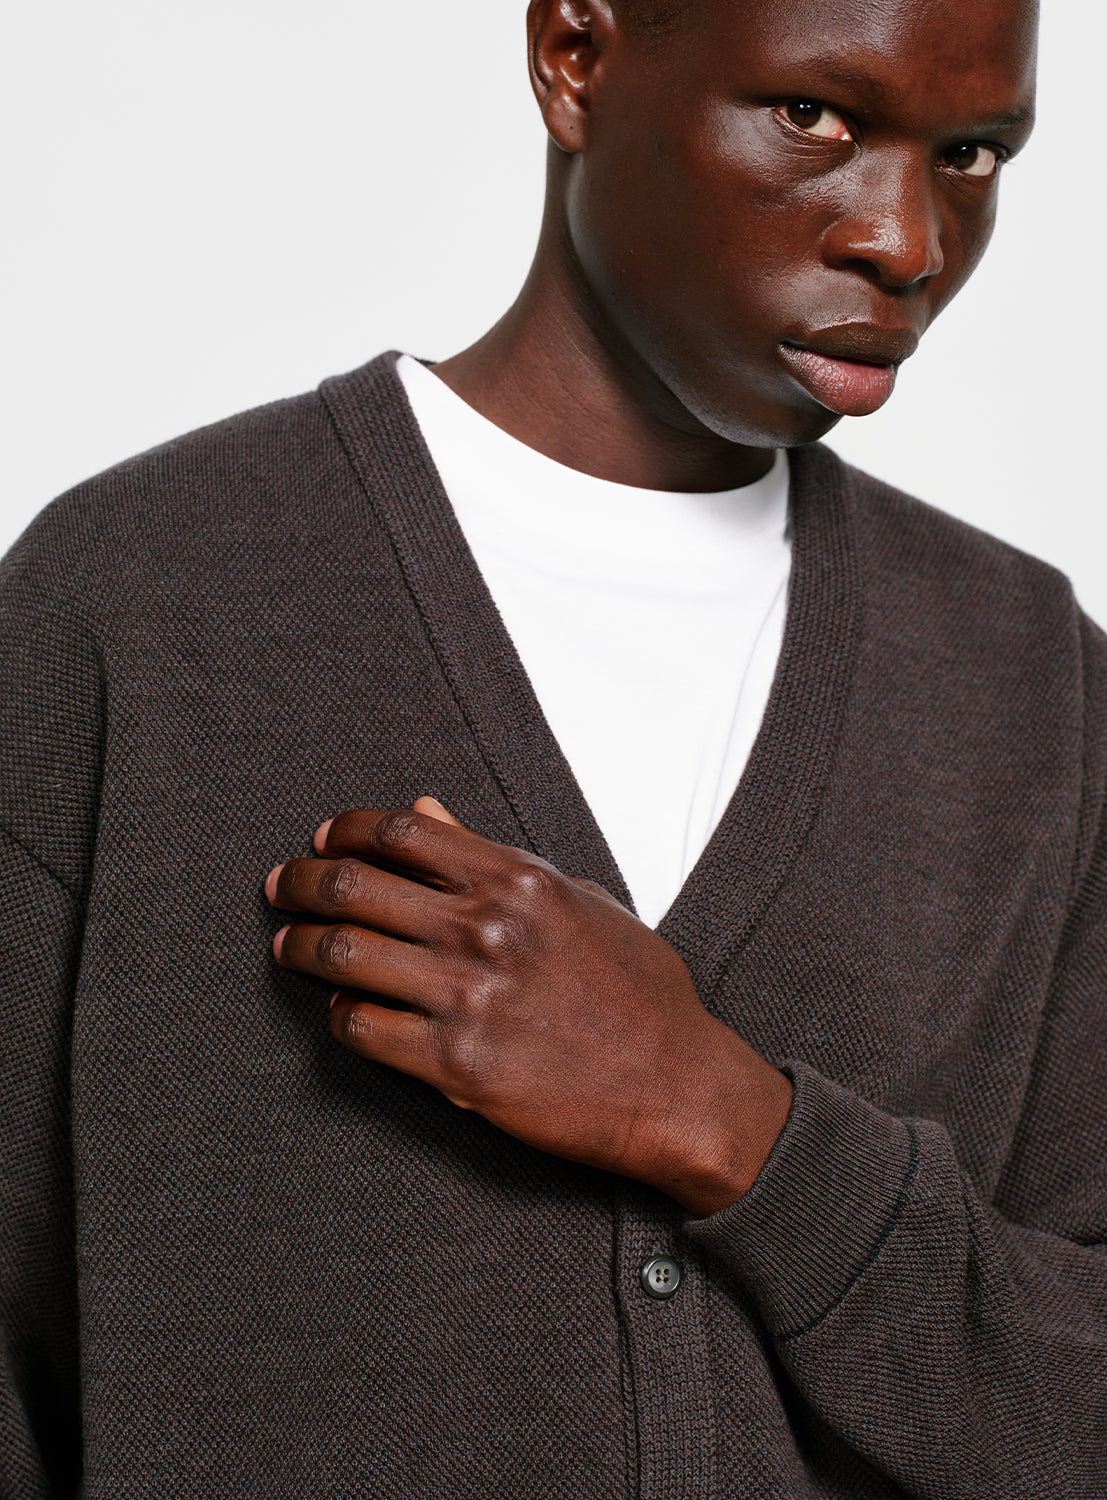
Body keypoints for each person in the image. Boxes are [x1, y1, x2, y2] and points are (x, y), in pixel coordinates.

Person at [1, 0, 1103, 1495]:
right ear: (574, 55)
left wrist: (735, 1128)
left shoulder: (1036, 689)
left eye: (972, 154)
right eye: (814, 119)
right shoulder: (139, 606)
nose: (905, 242)